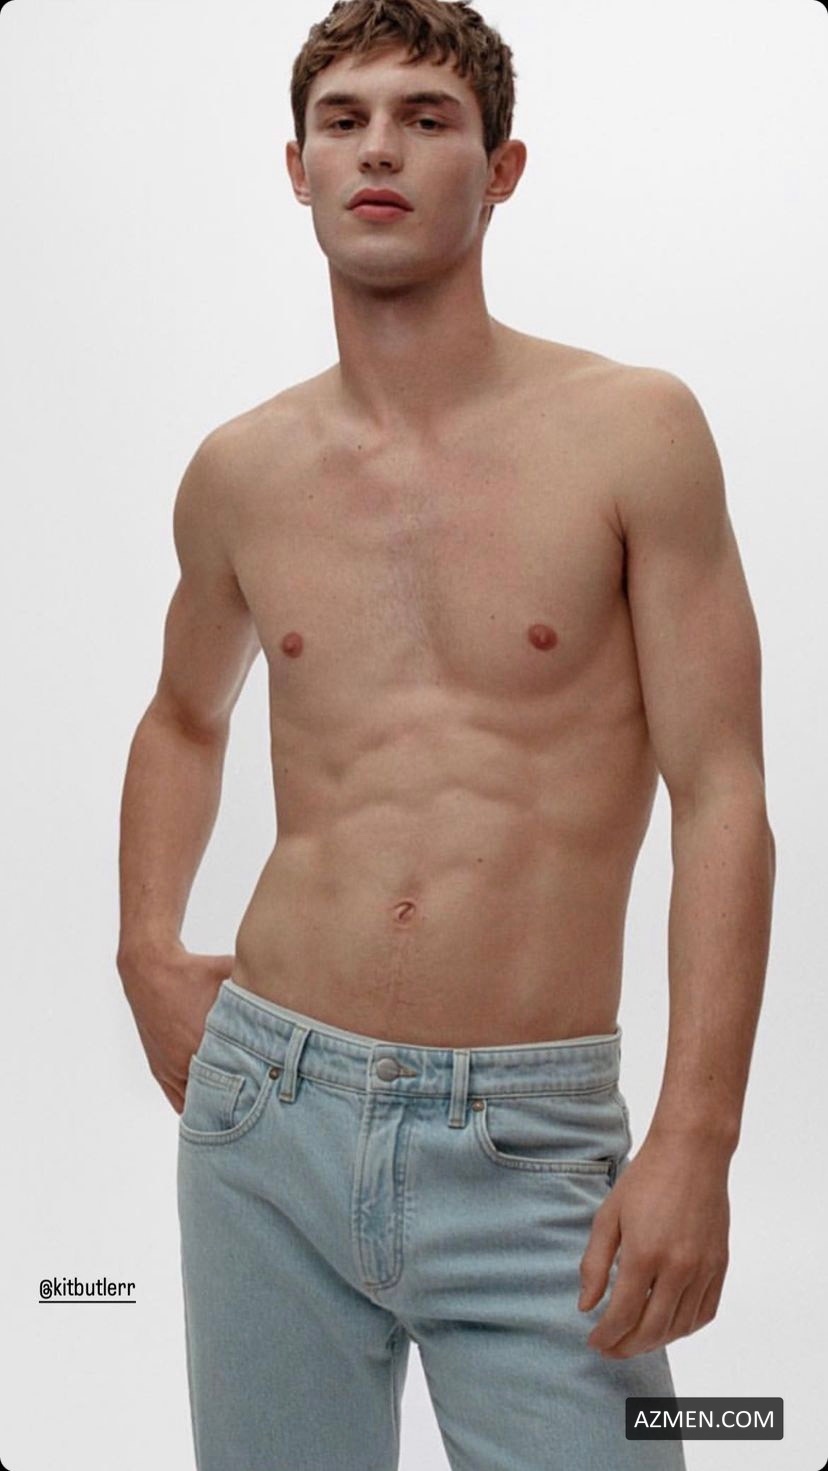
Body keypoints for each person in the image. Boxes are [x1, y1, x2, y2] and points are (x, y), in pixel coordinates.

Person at [115, 2, 775, 1467]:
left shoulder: (636, 432)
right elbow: (181, 718)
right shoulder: (241, 470)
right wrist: (147, 947)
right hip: (265, 1120)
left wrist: (697, 1139)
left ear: (503, 167)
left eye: (427, 119)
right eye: (343, 120)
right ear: (296, 166)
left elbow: (722, 792)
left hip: (532, 1148)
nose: (380, 151)